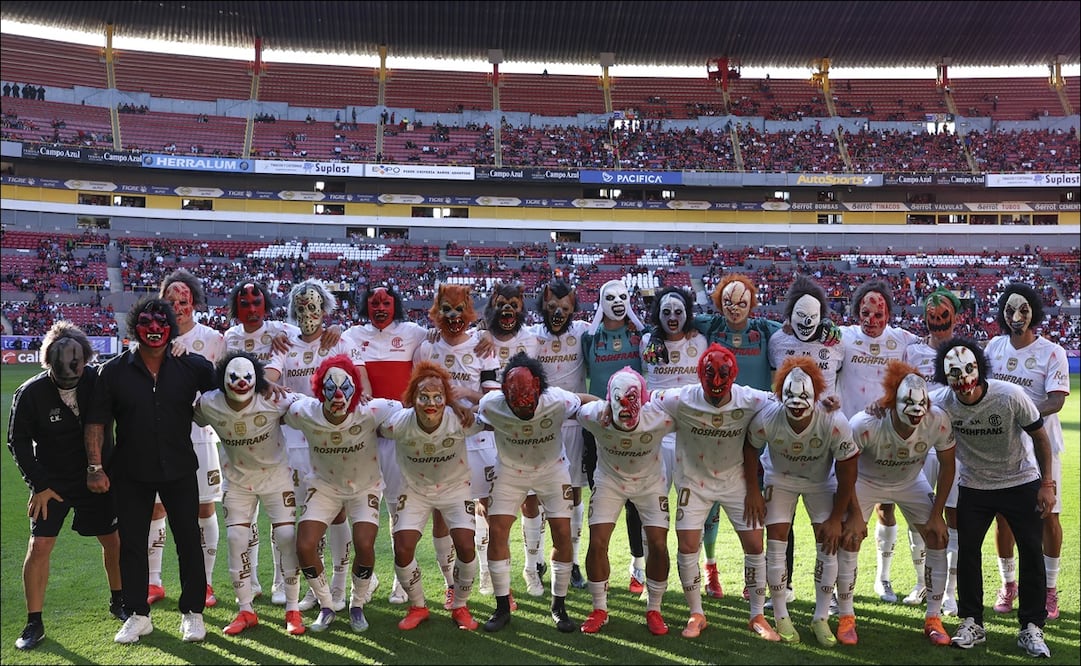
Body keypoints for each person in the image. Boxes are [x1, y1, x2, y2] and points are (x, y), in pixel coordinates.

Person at [86, 296, 217, 644]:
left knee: (189, 539)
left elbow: (235, 386)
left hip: (179, 466)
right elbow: (97, 422)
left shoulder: (191, 366)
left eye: (162, 323)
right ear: (135, 327)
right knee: (131, 543)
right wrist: (95, 466)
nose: (155, 328)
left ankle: (192, 613)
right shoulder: (113, 371)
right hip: (131, 470)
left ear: (172, 327)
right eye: (147, 322)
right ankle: (138, 614)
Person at [932, 338, 1054, 658]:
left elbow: (1041, 438)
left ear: (980, 368)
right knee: (968, 552)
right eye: (954, 374)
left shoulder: (1009, 395)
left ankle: (1031, 626)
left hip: (1020, 480)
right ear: (945, 377)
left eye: (969, 370)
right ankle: (972, 622)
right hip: (975, 485)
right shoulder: (942, 400)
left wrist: (1047, 484)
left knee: (1030, 551)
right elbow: (905, 402)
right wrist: (882, 404)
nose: (964, 380)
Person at [8, 321, 124, 651]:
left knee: (112, 540)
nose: (68, 381)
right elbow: (16, 441)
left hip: (98, 475)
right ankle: (34, 621)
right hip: (53, 482)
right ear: (48, 364)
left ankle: (119, 601)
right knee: (40, 545)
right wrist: (39, 484)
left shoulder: (99, 381)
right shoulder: (30, 393)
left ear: (87, 361)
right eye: (61, 377)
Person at [653, 343, 779, 640]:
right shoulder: (681, 398)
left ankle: (757, 615)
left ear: (733, 376)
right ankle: (696, 613)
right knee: (687, 546)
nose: (717, 386)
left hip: (736, 483)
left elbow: (784, 400)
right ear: (700, 376)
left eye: (724, 378)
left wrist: (827, 403)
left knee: (755, 545)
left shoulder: (750, 398)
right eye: (710, 379)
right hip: (694, 484)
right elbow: (647, 398)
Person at [267, 279, 367, 613]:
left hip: (333, 442)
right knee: (300, 514)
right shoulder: (284, 343)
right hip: (294, 442)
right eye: (301, 307)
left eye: (314, 306)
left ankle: (339, 584)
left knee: (336, 512)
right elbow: (268, 378)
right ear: (293, 310)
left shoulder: (341, 339)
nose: (308, 313)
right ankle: (312, 584)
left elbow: (361, 388)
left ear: (325, 308)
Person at [745, 356, 859, 646]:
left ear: (817, 395)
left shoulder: (833, 420)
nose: (797, 402)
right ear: (780, 393)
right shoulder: (768, 416)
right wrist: (753, 490)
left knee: (828, 542)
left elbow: (848, 467)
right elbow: (750, 448)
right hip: (780, 479)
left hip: (820, 482)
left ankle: (821, 616)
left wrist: (837, 517)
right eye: (790, 395)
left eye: (804, 395)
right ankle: (781, 614)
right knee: (777, 540)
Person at [477, 352, 593, 633]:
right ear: (504, 393)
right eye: (516, 400)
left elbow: (586, 401)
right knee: (498, 531)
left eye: (528, 398)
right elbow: (477, 419)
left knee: (562, 534)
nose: (524, 408)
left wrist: (608, 407)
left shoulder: (556, 399)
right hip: (510, 470)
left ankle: (559, 605)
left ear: (540, 388)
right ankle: (502, 606)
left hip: (552, 470)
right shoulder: (492, 404)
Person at [843, 360, 956, 646]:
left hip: (909, 481)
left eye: (922, 403)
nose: (917, 410)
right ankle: (845, 616)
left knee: (936, 535)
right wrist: (854, 513)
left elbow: (948, 465)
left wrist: (937, 514)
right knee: (849, 535)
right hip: (865, 480)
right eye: (908, 402)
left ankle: (933, 618)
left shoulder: (937, 420)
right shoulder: (865, 422)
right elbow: (844, 468)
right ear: (893, 401)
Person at [192, 351, 304, 636]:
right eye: (234, 377)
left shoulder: (273, 399)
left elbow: (313, 408)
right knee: (235, 538)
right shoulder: (209, 403)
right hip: (238, 481)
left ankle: (293, 609)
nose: (241, 383)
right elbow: (188, 415)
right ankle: (246, 610)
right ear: (222, 379)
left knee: (287, 537)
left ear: (257, 380)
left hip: (277, 477)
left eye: (247, 378)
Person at [283, 355, 395, 633]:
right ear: (320, 389)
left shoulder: (372, 410)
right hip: (324, 486)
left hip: (364, 486)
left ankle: (357, 604)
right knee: (305, 545)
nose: (338, 395)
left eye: (346, 388)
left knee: (365, 544)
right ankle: (326, 605)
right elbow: (280, 404)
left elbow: (409, 410)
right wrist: (274, 390)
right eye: (330, 388)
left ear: (355, 389)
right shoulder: (303, 411)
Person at [692, 273, 784, 601]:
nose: (735, 309)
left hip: (756, 431)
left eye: (742, 303)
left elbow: (799, 330)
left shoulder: (764, 330)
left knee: (754, 505)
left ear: (752, 303)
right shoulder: (710, 327)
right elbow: (674, 317)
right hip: (718, 428)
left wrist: (831, 328)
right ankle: (711, 569)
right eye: (729, 302)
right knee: (712, 506)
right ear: (719, 302)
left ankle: (752, 576)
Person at [984, 283, 1069, 621]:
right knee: (1003, 517)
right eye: (1009, 310)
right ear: (1002, 314)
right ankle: (1008, 585)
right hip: (1002, 447)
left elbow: (1057, 400)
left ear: (1033, 311)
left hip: (1041, 447)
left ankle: (1049, 590)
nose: (1016, 316)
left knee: (1048, 516)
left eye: (1022, 310)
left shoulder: (1052, 352)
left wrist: (1022, 414)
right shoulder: (993, 346)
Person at [379, 361, 485, 631]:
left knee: (465, 545)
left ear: (446, 399)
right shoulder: (399, 423)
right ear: (413, 399)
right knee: (402, 547)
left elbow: (495, 420)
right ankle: (417, 606)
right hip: (414, 490)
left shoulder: (460, 420)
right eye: (423, 396)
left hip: (454, 488)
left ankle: (460, 606)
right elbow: (374, 428)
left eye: (438, 397)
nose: (431, 403)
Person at [342, 283, 430, 605]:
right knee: (361, 507)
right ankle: (368, 575)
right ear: (366, 305)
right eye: (374, 301)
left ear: (396, 305)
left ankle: (400, 577)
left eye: (386, 301)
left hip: (400, 435)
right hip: (364, 435)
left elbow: (443, 337)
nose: (380, 307)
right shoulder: (351, 335)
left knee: (398, 508)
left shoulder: (413, 332)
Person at [414, 283, 499, 607]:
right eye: (446, 309)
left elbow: (493, 395)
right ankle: (451, 583)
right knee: (441, 514)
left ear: (469, 311)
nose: (453, 316)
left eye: (459, 309)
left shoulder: (482, 345)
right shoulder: (427, 347)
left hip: (478, 439)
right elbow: (416, 394)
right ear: (436, 311)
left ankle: (492, 577)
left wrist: (469, 395)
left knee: (488, 508)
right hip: (440, 444)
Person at [836, 279, 920, 604]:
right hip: (848, 440)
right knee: (846, 514)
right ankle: (841, 587)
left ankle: (882, 578)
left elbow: (931, 342)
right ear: (857, 311)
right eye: (866, 312)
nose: (872, 319)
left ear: (888, 314)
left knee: (887, 509)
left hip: (887, 441)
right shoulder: (842, 337)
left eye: (879, 313)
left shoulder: (900, 340)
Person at [146, 269, 225, 610]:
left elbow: (223, 389)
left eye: (183, 301)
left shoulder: (213, 339)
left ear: (194, 303)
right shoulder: (149, 335)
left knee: (203, 507)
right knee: (155, 507)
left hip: (201, 435)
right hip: (158, 435)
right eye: (170, 301)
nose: (177, 307)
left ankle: (205, 583)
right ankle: (153, 581)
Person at [577, 366, 674, 636]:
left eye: (632, 400)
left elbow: (686, 402)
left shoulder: (657, 415)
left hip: (650, 482)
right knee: (597, 542)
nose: (625, 407)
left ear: (643, 401)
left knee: (658, 543)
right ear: (609, 401)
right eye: (618, 400)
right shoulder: (596, 415)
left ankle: (654, 608)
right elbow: (571, 401)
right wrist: (597, 402)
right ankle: (599, 608)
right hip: (610, 480)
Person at [766, 275, 844, 608]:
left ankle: (831, 590)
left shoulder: (838, 340)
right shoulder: (777, 341)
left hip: (823, 447)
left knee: (824, 527)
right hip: (783, 441)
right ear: (789, 315)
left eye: (814, 317)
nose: (807, 323)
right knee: (781, 527)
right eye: (800, 316)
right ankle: (783, 589)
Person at [582, 278, 649, 594]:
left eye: (624, 297)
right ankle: (601, 573)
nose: (618, 302)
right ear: (600, 300)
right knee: (601, 502)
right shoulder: (590, 337)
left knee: (635, 502)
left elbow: (650, 333)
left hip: (633, 429)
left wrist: (636, 317)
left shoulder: (638, 336)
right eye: (610, 297)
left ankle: (638, 567)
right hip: (598, 429)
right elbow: (587, 341)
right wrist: (598, 314)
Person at [483, 282, 548, 597]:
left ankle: (532, 566)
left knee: (531, 501)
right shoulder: (478, 339)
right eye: (500, 304)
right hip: (488, 431)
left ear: (522, 307)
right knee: (485, 503)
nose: (507, 311)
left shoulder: (533, 340)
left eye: (514, 304)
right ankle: (486, 570)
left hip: (525, 431)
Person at [527, 279, 591, 589]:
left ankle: (574, 561)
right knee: (539, 494)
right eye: (552, 307)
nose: (558, 313)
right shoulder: (532, 337)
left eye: (564, 308)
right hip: (543, 426)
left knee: (574, 493)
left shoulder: (582, 332)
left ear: (573, 308)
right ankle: (537, 559)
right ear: (543, 305)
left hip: (575, 423)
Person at [903, 287, 963, 614]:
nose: (937, 322)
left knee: (952, 517)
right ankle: (922, 583)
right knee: (919, 520)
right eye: (931, 317)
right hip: (919, 446)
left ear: (955, 316)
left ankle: (950, 591)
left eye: (943, 317)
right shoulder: (912, 353)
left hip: (955, 448)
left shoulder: (966, 351)